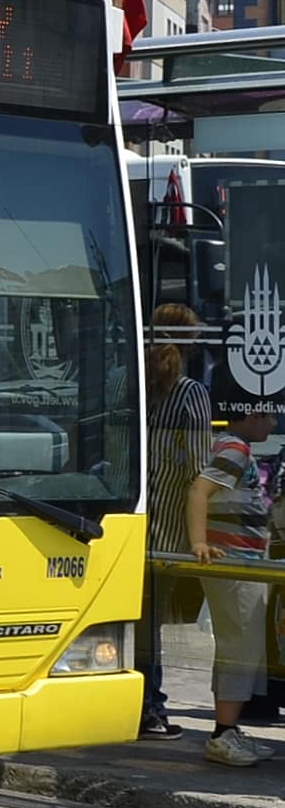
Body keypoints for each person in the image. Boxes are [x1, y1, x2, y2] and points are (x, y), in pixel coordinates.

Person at [185, 365, 281, 768]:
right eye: (270, 414)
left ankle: (231, 728)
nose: (275, 422)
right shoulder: (235, 449)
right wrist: (200, 542)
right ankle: (223, 734)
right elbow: (199, 491)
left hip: (243, 562)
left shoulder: (228, 445)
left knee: (243, 647)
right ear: (252, 413)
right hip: (235, 563)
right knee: (239, 649)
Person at [139, 303, 210, 740]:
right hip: (166, 530)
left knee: (130, 620)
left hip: (122, 520)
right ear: (189, 342)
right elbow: (198, 471)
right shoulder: (190, 394)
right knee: (151, 625)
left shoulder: (123, 382)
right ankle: (150, 708)